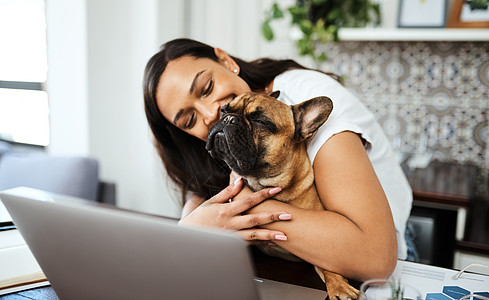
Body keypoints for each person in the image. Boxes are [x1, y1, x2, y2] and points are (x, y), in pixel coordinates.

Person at [143, 38, 415, 281]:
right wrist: (189, 226)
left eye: (207, 87)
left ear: (226, 61)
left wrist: (242, 207)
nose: (211, 113)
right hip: (294, 271)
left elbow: (375, 258)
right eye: (190, 120)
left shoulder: (304, 97)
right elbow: (201, 195)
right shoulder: (230, 131)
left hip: (384, 269)